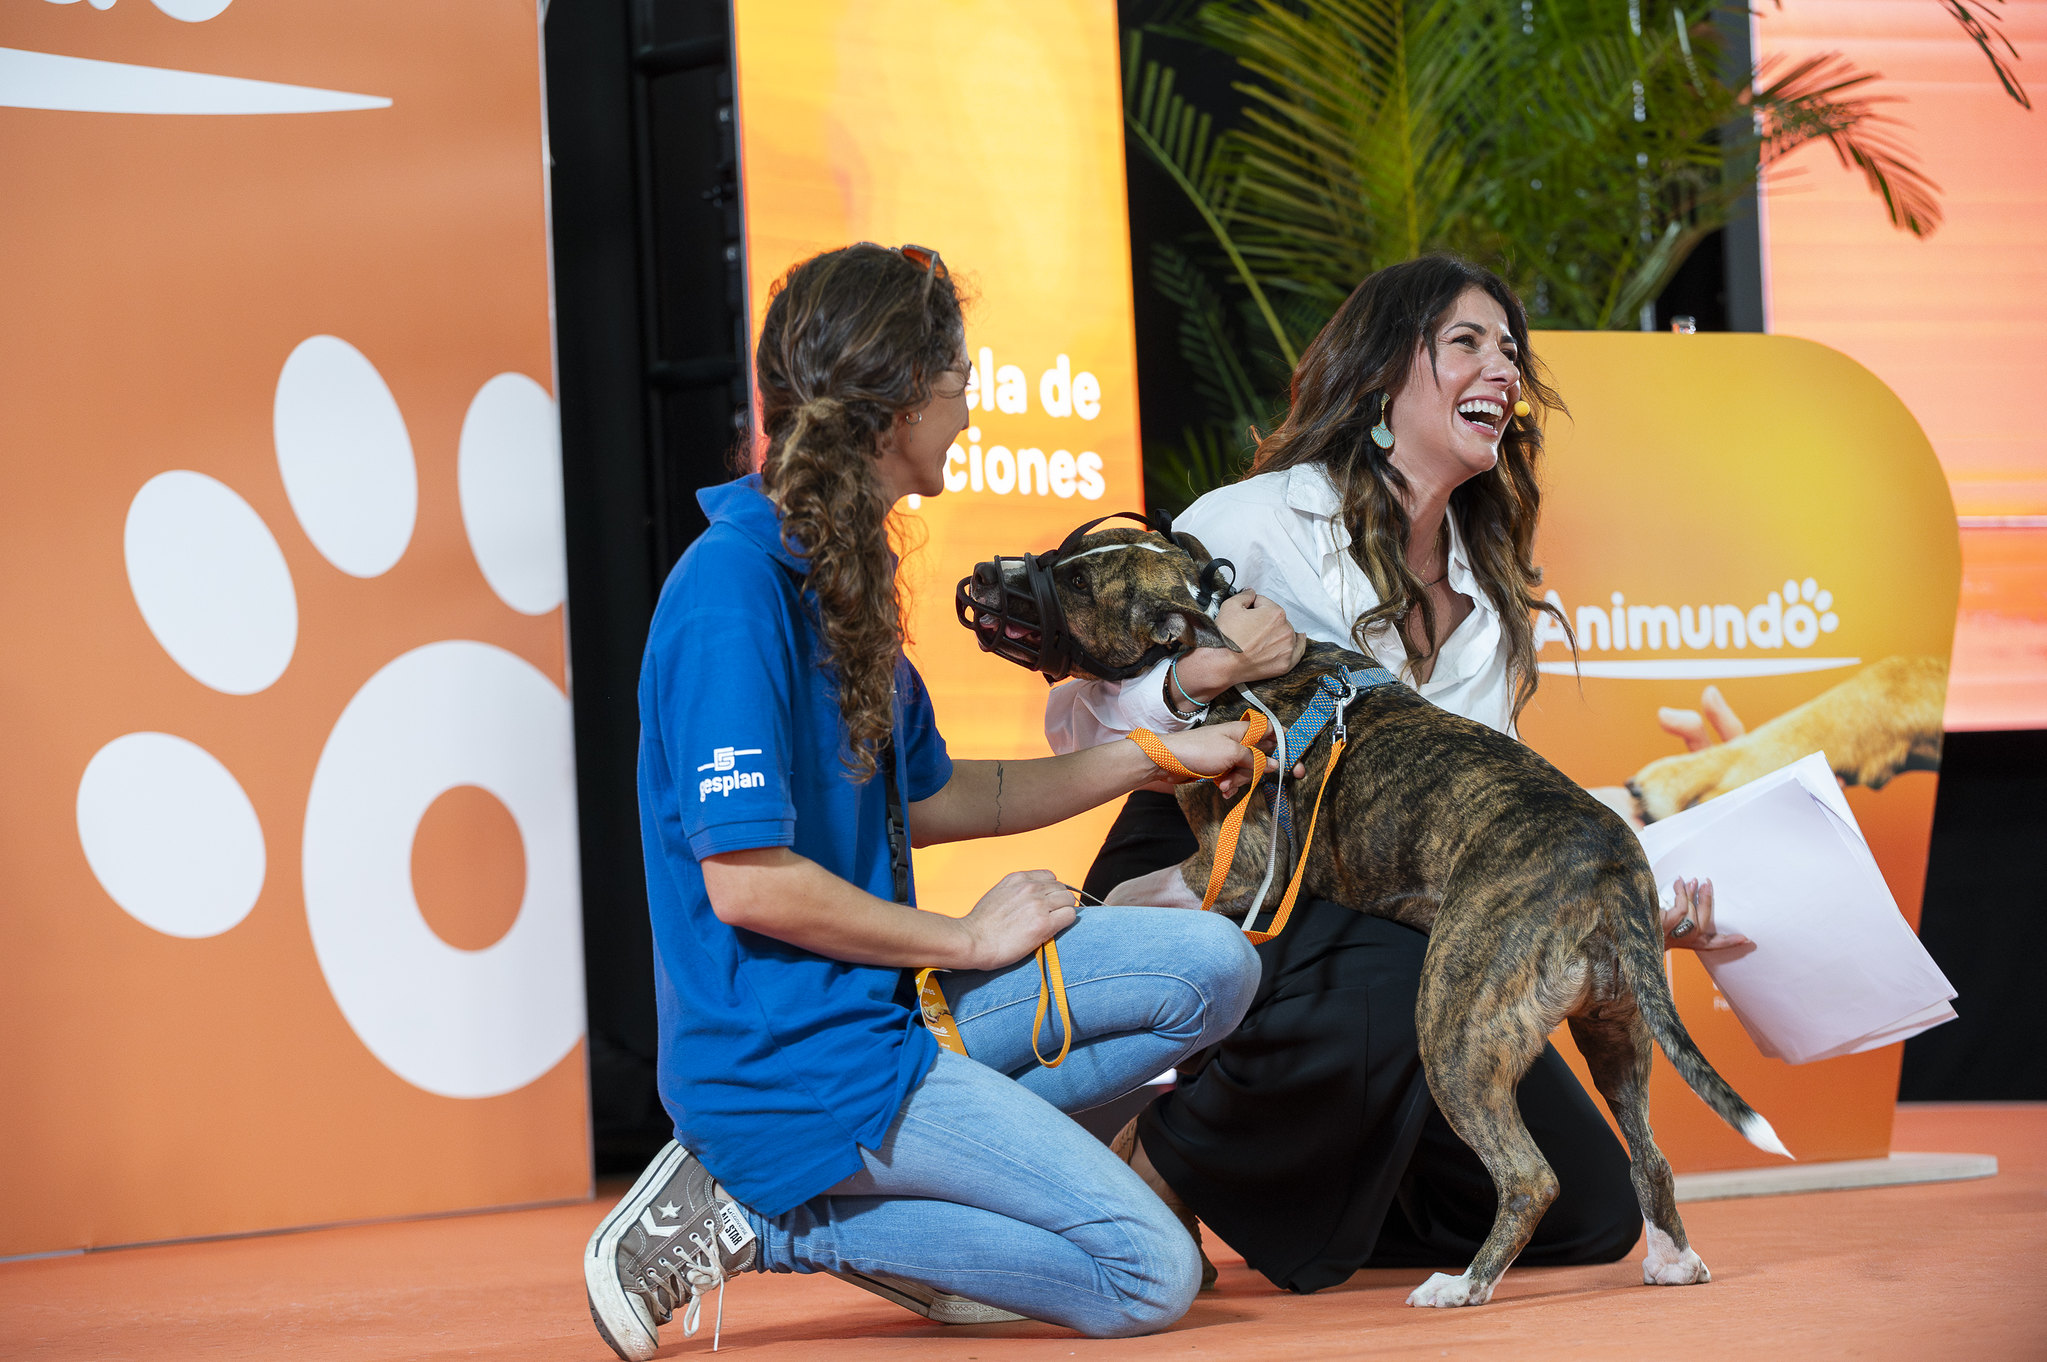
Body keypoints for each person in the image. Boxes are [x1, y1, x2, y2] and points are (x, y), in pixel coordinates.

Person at [583, 242, 1267, 1359]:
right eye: (959, 386)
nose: (970, 414)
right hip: (792, 1064)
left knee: (1215, 969)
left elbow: (938, 797)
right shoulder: (729, 591)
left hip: (883, 1019)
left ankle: (928, 1221)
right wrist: (964, 935)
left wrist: (1150, 756)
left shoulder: (843, 571)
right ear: (899, 398)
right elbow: (750, 883)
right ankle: (769, 1220)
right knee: (1148, 1275)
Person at [1047, 254, 1747, 1295]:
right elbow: (1070, 725)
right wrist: (1199, 677)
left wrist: (1640, 874)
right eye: (1466, 342)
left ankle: (1311, 1193)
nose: (1500, 368)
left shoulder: (1491, 601)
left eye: (1510, 349)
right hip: (1221, 845)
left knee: (1590, 1216)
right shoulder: (1247, 525)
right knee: (1390, 972)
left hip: (1379, 881)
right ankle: (1162, 1168)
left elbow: (1495, 808)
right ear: (1380, 380)